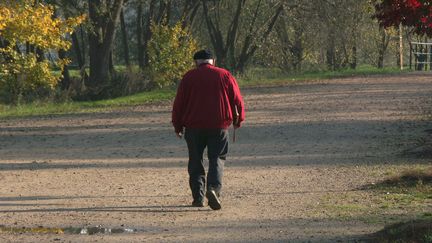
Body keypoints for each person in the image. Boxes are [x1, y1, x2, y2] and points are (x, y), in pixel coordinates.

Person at [172, 49, 245, 210]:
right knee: (217, 158)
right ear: (213, 61)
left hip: (193, 127)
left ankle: (198, 197)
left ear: (196, 62)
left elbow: (179, 104)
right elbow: (237, 100)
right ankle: (213, 189)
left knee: (195, 160)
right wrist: (238, 120)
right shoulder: (224, 75)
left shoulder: (188, 77)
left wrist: (177, 125)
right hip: (218, 126)